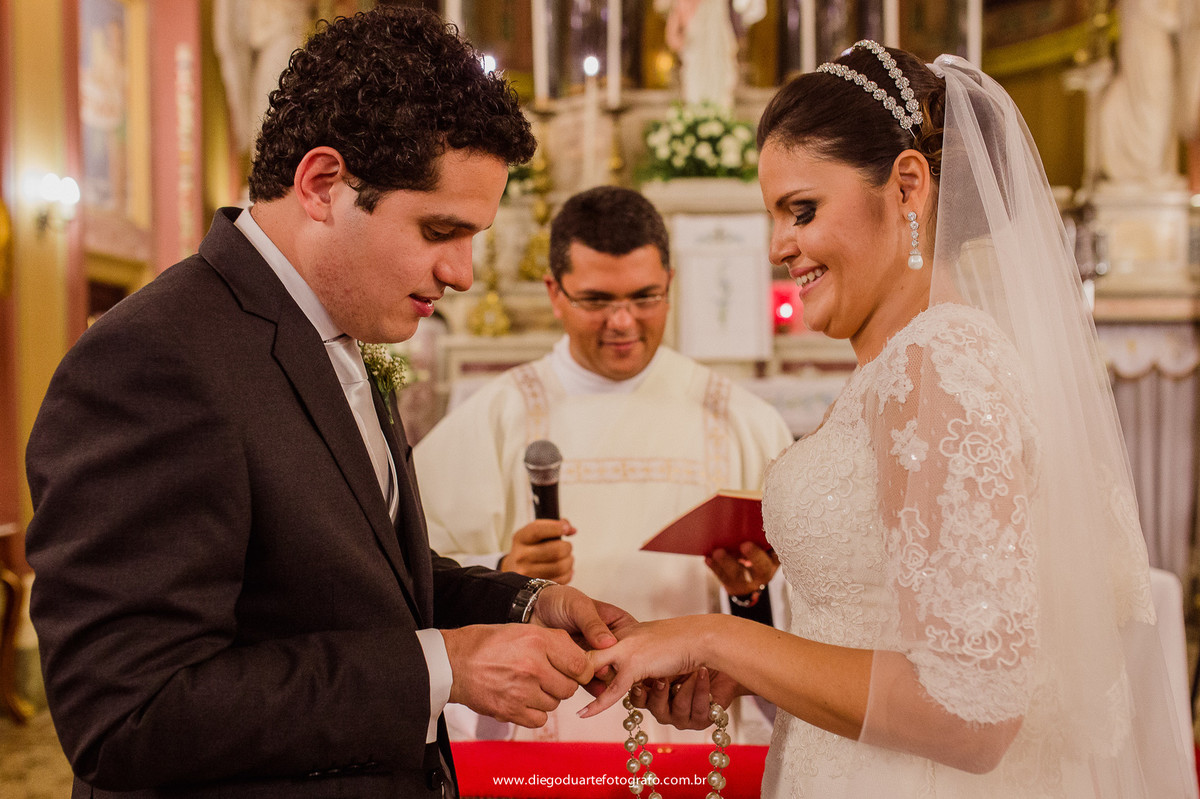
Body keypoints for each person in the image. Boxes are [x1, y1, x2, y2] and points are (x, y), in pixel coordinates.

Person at [24, 9, 630, 797]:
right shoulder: (155, 360)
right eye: (441, 228)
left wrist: (525, 601)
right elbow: (128, 713)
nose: (463, 273)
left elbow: (359, 583)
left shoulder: (328, 333)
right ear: (321, 184)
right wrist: (443, 667)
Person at [582, 41, 1199, 798]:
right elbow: (882, 642)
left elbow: (971, 713)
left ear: (908, 185)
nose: (779, 247)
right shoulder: (902, 364)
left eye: (801, 210)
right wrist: (751, 668)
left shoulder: (937, 364)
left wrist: (719, 635)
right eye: (773, 217)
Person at [414, 185, 794, 743]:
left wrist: (750, 595)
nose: (622, 321)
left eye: (645, 297)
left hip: (687, 727)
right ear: (555, 293)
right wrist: (502, 571)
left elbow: (805, 605)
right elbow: (407, 568)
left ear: (671, 285)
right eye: (597, 300)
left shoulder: (741, 419)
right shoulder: (496, 415)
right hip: (545, 742)